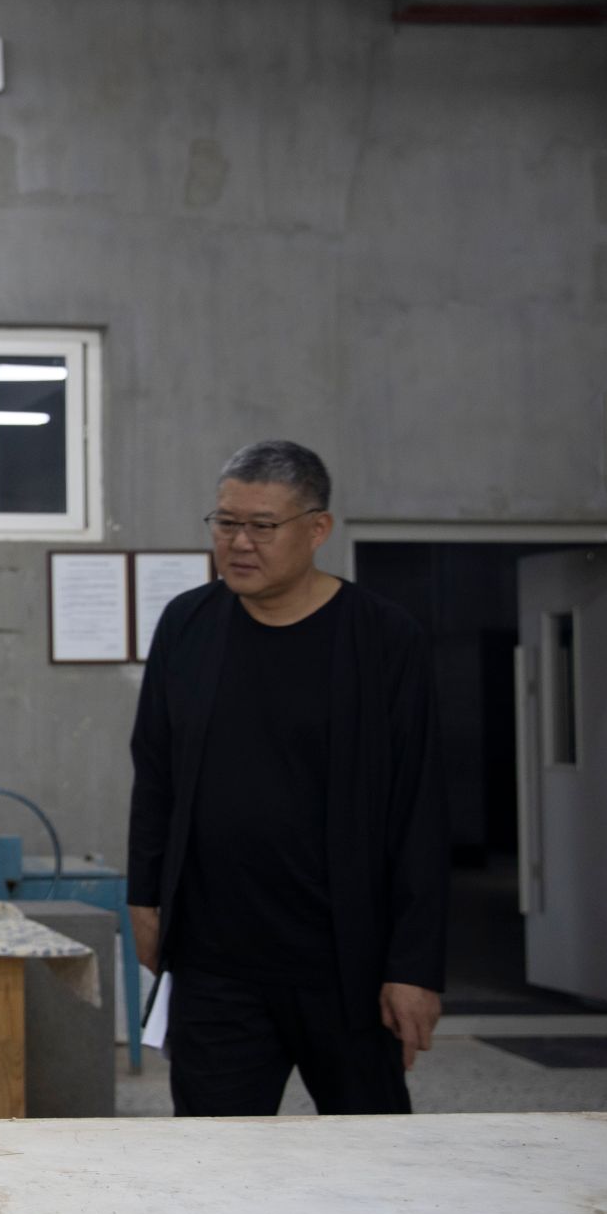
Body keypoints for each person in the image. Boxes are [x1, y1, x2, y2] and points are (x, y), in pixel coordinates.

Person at [127, 440, 447, 1116]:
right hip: (216, 960)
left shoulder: (384, 639)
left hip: (348, 960)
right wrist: (145, 899)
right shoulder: (188, 625)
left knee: (375, 1151)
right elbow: (154, 775)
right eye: (225, 522)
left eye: (262, 526)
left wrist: (413, 966)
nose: (239, 542)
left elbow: (419, 809)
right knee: (215, 1155)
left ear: (317, 528)